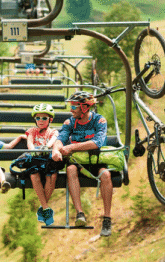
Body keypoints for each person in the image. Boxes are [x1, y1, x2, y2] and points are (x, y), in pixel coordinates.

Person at [52, 91, 113, 237]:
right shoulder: (70, 122)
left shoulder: (99, 121)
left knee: (106, 175)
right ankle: (79, 213)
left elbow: (97, 142)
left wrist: (72, 147)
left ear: (84, 108)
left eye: (74, 107)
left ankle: (107, 218)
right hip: (78, 161)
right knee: (71, 169)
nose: (71, 110)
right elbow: (61, 138)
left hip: (95, 159)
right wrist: (56, 149)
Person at [26, 103, 60, 226]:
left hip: (47, 159)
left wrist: (47, 146)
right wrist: (33, 149)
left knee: (52, 176)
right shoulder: (32, 131)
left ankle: (43, 207)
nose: (41, 121)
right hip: (36, 158)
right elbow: (29, 142)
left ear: (50, 119)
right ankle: (45, 208)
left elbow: (53, 140)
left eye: (44, 118)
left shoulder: (53, 131)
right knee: (34, 175)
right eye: (38, 118)